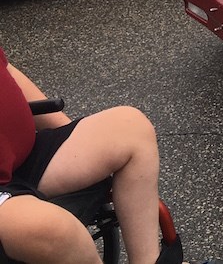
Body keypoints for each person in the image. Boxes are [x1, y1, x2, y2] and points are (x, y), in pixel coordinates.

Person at [0, 46, 165, 264]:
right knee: (54, 230)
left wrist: (68, 134)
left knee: (130, 127)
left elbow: (6, 70)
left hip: (19, 158)